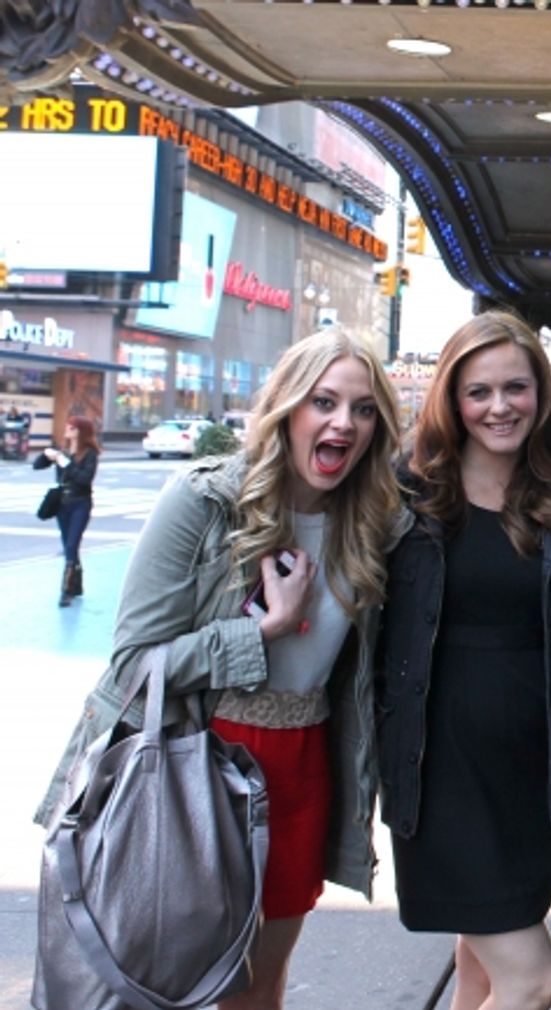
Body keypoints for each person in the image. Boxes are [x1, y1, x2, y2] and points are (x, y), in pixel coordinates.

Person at [35, 328, 409, 1010]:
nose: (343, 423)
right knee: (169, 983)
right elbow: (134, 664)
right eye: (323, 402)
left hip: (304, 768)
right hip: (198, 767)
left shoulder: (374, 520)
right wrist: (258, 631)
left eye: (362, 410)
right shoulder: (206, 501)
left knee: (259, 989)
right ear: (287, 409)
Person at [377, 312, 551, 1010]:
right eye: (479, 392)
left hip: (535, 772)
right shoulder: (408, 498)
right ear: (452, 401)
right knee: (533, 980)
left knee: (482, 974)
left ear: (541, 393)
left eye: (516, 388)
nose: (500, 407)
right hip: (443, 772)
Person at [33, 416, 100, 606]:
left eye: (72, 427)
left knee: (71, 545)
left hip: (81, 504)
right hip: (62, 504)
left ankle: (66, 590)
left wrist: (64, 462)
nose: (67, 429)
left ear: (81, 431)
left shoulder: (89, 454)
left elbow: (84, 479)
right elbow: (36, 466)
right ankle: (76, 584)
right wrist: (46, 455)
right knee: (69, 545)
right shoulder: (61, 451)